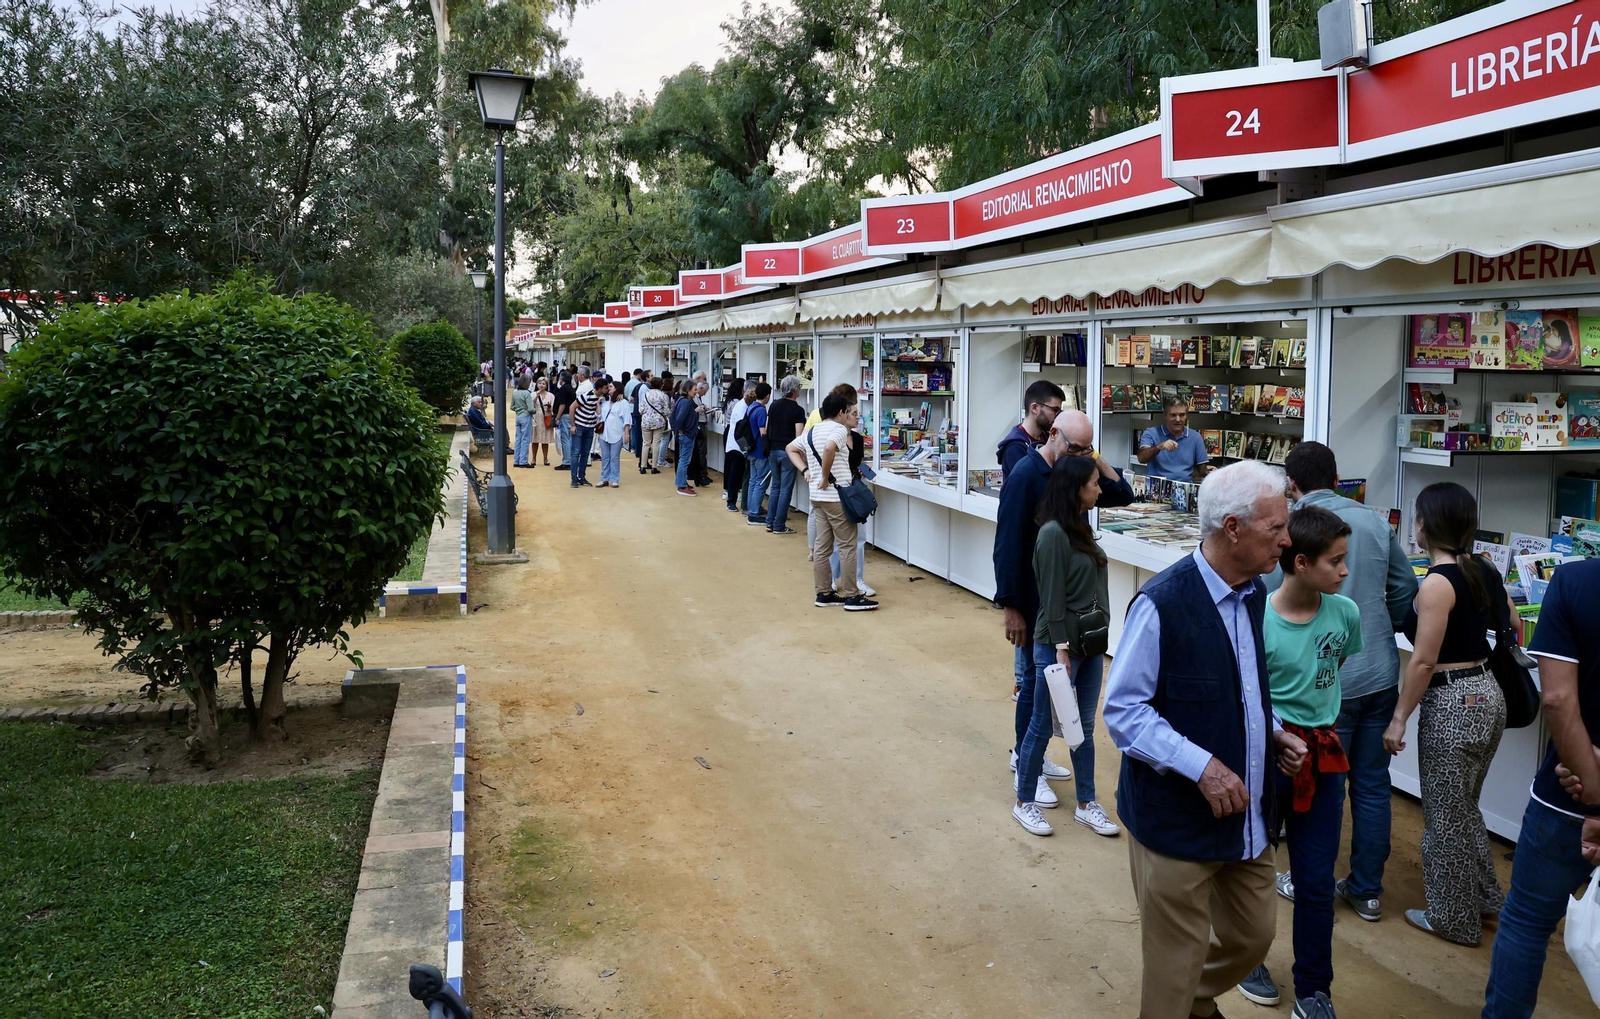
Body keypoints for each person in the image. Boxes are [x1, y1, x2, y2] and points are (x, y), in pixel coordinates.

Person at [1103, 460, 1307, 1019]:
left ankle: (1195, 994)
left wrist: (1271, 733)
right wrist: (1202, 766)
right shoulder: (1162, 604)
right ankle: (1181, 997)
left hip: (1246, 819)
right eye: (1276, 529)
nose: (1288, 541)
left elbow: (1238, 688)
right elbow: (1123, 711)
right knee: (1171, 968)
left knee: (1253, 937)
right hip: (1175, 822)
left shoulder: (1256, 594)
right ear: (1233, 528)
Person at [1270, 442, 1417, 923]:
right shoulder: (1374, 520)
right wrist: (1380, 624)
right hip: (1378, 671)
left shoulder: (1295, 530)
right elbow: (1404, 588)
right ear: (1336, 477)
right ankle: (1367, 890)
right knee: (1373, 785)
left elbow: (1278, 599)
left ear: (1292, 484)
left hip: (1325, 688)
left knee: (1320, 789)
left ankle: (1307, 875)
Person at [1238, 505, 1363, 1018]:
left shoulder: (1345, 614)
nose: (1345, 571)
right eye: (1336, 561)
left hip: (1324, 763)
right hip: (1265, 758)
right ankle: (1248, 959)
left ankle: (1315, 989)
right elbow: (1246, 696)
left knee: (1315, 880)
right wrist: (1275, 738)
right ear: (1301, 562)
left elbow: (1333, 668)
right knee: (1252, 867)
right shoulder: (1256, 618)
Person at [1385, 481, 1518, 947]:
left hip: (1453, 702)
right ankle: (1483, 897)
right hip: (1488, 695)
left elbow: (1423, 660)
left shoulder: (1438, 584)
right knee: (1464, 810)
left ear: (1424, 524)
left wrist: (1400, 716)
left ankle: (1453, 919)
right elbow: (1513, 625)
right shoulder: (1483, 569)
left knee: (1445, 818)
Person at [1482, 558, 1600, 1017]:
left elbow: (1557, 698)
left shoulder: (1575, 581)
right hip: (1577, 791)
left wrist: (1593, 790)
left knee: (1528, 922)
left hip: (1564, 798)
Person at [994, 409, 1134, 783]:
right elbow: (1006, 543)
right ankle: (1027, 762)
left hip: (1068, 612)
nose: (1081, 454)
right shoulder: (1026, 476)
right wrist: (1010, 606)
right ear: (1052, 434)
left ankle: (1032, 759)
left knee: (1053, 697)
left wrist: (1093, 454)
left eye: (1086, 449)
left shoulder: (1075, 474)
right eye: (1075, 446)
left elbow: (1122, 493)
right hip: (1033, 604)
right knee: (1033, 690)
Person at [1014, 454, 1120, 839]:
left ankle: (1086, 803)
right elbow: (1051, 596)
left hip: (1089, 645)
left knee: (1083, 728)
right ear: (1074, 487)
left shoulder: (1081, 527)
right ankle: (1025, 800)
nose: (1099, 488)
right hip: (1057, 646)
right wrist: (1060, 647)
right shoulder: (1053, 533)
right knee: (1041, 726)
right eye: (1093, 482)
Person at [789, 391, 876, 611]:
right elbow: (829, 448)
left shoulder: (812, 431)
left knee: (822, 546)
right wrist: (826, 475)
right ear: (840, 412)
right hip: (837, 496)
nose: (850, 416)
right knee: (847, 545)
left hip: (817, 497)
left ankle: (824, 592)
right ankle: (852, 596)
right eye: (848, 411)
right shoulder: (837, 430)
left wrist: (806, 470)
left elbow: (790, 448)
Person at [997, 379, 1067, 478]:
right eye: (1054, 410)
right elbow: (1031, 482)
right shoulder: (1015, 446)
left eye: (1059, 411)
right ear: (1034, 408)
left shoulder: (1048, 437)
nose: (1057, 416)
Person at [765, 375, 807, 534]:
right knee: (785, 489)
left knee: (775, 487)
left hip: (773, 450)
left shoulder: (774, 406)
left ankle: (770, 522)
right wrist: (801, 457)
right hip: (788, 452)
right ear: (795, 390)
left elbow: (768, 427)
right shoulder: (798, 410)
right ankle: (779, 525)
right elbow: (799, 436)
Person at [1138, 398, 1213, 483]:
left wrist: (1210, 471)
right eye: (1173, 415)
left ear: (1186, 416)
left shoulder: (1195, 437)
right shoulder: (1151, 433)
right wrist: (1159, 447)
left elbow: (1202, 470)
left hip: (1184, 489)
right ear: (1165, 416)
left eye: (1182, 415)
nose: (1178, 419)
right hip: (1156, 489)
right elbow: (1141, 458)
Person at [744, 382, 773, 523]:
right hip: (760, 451)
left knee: (753, 481)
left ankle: (751, 509)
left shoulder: (751, 407)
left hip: (751, 450)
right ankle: (754, 513)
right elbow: (763, 432)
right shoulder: (761, 410)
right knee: (761, 483)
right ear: (767, 396)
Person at [569, 367, 599, 488]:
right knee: (579, 452)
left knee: (580, 452)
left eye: (578, 373)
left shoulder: (587, 387)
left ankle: (579, 477)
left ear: (582, 375)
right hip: (582, 422)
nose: (577, 375)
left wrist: (573, 424)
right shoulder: (584, 385)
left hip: (584, 422)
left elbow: (576, 405)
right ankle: (576, 477)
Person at [596, 382, 631, 488]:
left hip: (617, 433)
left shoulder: (623, 403)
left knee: (614, 457)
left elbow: (627, 419)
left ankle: (614, 478)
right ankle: (604, 478)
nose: (608, 388)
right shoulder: (605, 401)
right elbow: (598, 415)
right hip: (604, 433)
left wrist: (626, 434)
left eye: (611, 387)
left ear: (617, 389)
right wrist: (598, 402)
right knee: (605, 457)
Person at [670, 380, 701, 496]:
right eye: (694, 389)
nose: (696, 391)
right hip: (687, 435)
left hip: (684, 434)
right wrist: (681, 433)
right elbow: (679, 419)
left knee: (683, 460)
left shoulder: (680, 401)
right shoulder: (686, 403)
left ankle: (681, 483)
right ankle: (682, 486)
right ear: (688, 390)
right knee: (684, 460)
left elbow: (674, 417)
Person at [722, 379, 748, 513]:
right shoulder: (739, 405)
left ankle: (737, 499)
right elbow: (740, 431)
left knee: (737, 472)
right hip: (736, 444)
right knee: (734, 473)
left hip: (736, 442)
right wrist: (746, 448)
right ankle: (731, 500)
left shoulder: (739, 403)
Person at [691, 371, 715, 487]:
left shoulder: (696, 398)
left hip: (699, 423)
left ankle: (701, 474)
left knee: (700, 451)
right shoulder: (694, 398)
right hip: (699, 424)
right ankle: (701, 474)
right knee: (701, 451)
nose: (704, 394)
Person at [552, 371, 576, 471]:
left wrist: (557, 417)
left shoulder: (563, 389)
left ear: (562, 380)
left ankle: (567, 461)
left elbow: (562, 405)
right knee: (569, 439)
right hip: (570, 416)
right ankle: (570, 459)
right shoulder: (571, 388)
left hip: (564, 415)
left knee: (565, 438)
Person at [528, 376, 555, 466]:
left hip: (546, 417)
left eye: (543, 384)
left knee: (545, 440)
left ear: (546, 385)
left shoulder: (551, 395)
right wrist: (537, 395)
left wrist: (549, 406)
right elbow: (531, 404)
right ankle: (533, 459)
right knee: (534, 439)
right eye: (540, 383)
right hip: (536, 418)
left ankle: (545, 458)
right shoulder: (532, 394)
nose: (541, 385)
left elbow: (553, 407)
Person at [511, 376, 536, 468]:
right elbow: (530, 408)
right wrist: (534, 410)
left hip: (518, 416)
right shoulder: (527, 393)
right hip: (526, 417)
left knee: (518, 439)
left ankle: (516, 461)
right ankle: (523, 461)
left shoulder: (515, 393)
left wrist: (518, 409)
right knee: (525, 439)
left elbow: (512, 407)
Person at [630, 369, 649, 462]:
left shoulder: (637, 386)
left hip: (635, 411)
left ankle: (637, 451)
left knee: (637, 433)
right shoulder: (645, 387)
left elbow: (631, 398)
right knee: (643, 436)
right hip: (642, 413)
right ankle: (642, 454)